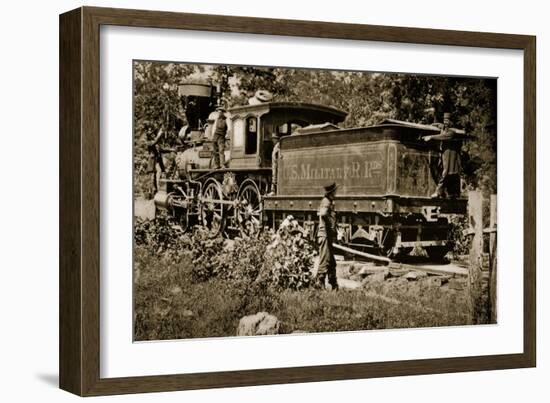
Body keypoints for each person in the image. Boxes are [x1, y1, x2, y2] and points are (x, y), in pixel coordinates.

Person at [424, 112, 462, 198]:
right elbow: (440, 125)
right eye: (444, 120)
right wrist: (433, 124)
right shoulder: (444, 128)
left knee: (446, 174)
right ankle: (451, 193)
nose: (446, 122)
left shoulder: (452, 132)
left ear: (451, 122)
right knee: (447, 174)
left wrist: (431, 137)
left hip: (451, 158)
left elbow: (442, 136)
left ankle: (438, 192)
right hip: (444, 156)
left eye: (448, 120)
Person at [316, 182, 339, 290]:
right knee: (325, 259)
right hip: (324, 235)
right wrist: (330, 224)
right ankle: (319, 284)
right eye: (335, 191)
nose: (336, 193)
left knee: (331, 261)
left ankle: (334, 284)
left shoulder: (329, 201)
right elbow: (323, 213)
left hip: (327, 236)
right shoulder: (326, 201)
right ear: (331, 192)